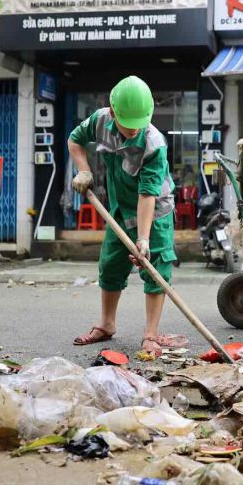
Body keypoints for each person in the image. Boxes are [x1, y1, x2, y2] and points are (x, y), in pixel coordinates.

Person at [68, 75, 177, 356]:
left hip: (154, 211)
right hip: (118, 208)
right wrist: (84, 170)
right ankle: (107, 324)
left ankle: (151, 333)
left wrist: (143, 239)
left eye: (139, 125)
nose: (134, 131)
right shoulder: (101, 121)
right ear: (113, 112)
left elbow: (147, 194)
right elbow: (75, 140)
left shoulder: (154, 144)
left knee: (156, 268)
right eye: (128, 126)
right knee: (111, 264)